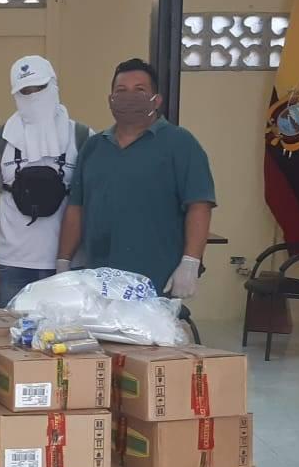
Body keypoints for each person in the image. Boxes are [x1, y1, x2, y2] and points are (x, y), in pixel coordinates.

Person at [57, 58, 216, 298]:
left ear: (156, 100)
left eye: (139, 90)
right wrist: (63, 261)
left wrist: (190, 262)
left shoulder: (180, 144)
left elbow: (199, 205)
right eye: (121, 91)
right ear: (110, 99)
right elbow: (76, 208)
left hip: (156, 281)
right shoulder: (94, 147)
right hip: (99, 280)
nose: (129, 97)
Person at [0, 55, 90, 307]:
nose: (33, 96)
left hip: (69, 265)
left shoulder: (81, 137)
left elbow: (93, 201)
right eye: (25, 91)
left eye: (40, 88)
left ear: (54, 84)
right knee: (8, 332)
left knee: (66, 331)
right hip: (12, 265)